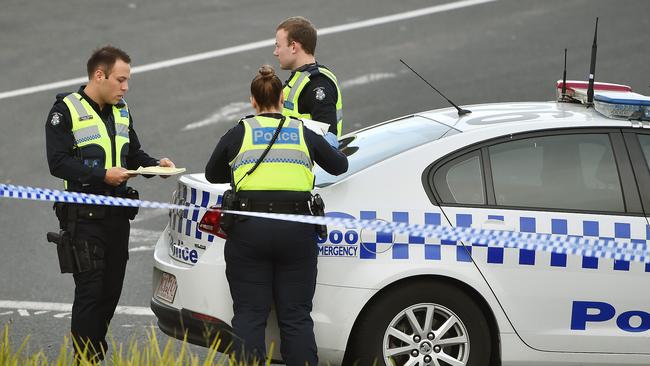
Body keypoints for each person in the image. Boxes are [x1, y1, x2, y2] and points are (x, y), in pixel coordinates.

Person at [204, 65, 348, 365]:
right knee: (295, 316)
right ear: (283, 98)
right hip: (296, 229)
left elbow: (212, 172)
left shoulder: (240, 132)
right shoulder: (301, 132)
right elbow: (338, 166)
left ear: (253, 101)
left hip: (249, 230)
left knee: (249, 315)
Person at [45, 45, 175, 361]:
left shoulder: (121, 110)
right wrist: (103, 174)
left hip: (117, 217)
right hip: (83, 218)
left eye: (127, 80)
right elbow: (58, 163)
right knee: (90, 292)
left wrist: (155, 166)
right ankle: (86, 357)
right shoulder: (66, 110)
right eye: (120, 80)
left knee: (110, 293)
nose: (125, 87)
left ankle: (93, 350)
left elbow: (132, 153)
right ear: (99, 75)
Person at [274, 16, 344, 140]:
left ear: (293, 47)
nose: (275, 52)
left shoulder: (317, 84)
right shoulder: (300, 78)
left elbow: (328, 139)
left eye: (278, 46)